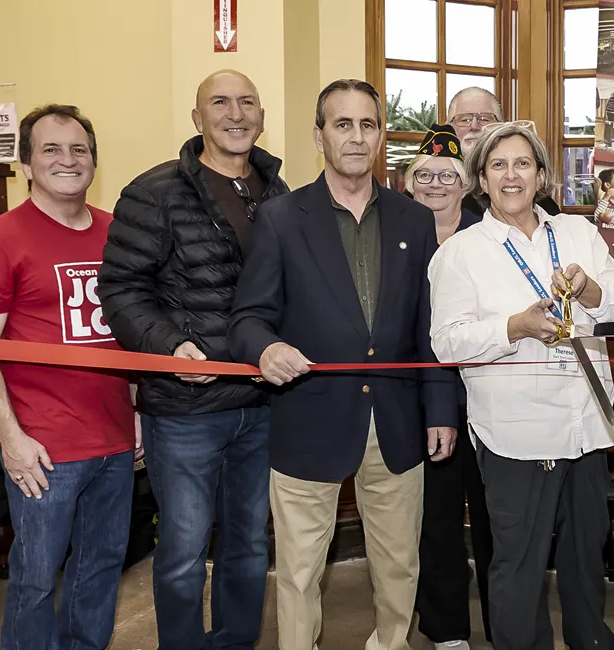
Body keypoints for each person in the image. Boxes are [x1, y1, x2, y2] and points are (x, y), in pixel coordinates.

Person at [227, 78, 457, 650]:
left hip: (398, 423)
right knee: (300, 571)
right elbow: (247, 318)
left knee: (400, 565)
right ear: (319, 136)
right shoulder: (281, 218)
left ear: (381, 135)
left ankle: (392, 643)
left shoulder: (412, 220)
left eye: (368, 124)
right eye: (343, 124)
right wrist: (265, 348)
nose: (357, 137)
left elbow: (429, 329)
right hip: (309, 420)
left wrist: (441, 410)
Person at [98, 69, 289, 649]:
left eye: (248, 102)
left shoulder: (279, 193)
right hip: (185, 408)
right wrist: (165, 346)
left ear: (261, 114)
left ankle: (235, 641)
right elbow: (122, 289)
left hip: (262, 402)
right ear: (197, 117)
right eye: (220, 103)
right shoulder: (154, 191)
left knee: (251, 543)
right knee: (182, 550)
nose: (236, 114)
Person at [427, 122, 614, 650]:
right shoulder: (459, 252)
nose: (511, 175)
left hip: (586, 425)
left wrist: (587, 289)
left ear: (541, 176)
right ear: (482, 180)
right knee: (518, 566)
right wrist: (514, 327)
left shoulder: (578, 233)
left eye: (522, 164)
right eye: (498, 166)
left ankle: (591, 642)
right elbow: (447, 343)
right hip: (516, 437)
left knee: (586, 557)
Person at [0, 104, 137, 650]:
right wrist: (11, 440)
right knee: (35, 580)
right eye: (51, 149)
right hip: (43, 449)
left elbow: (131, 337)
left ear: (94, 160)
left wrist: (137, 418)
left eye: (79, 149)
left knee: (101, 569)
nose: (68, 160)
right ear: (29, 164)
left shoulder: (119, 233)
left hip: (113, 441)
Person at [406, 124, 493, 650]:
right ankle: (445, 628)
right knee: (435, 518)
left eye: (447, 175)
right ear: (410, 182)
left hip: (488, 394)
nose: (435, 183)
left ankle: (505, 617)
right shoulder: (396, 231)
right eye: (424, 175)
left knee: (494, 518)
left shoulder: (489, 234)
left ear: (464, 185)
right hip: (421, 402)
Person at [444, 87, 561, 216]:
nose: (474, 127)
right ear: (448, 128)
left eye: (485, 119)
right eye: (464, 119)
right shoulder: (431, 185)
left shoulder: (530, 194)